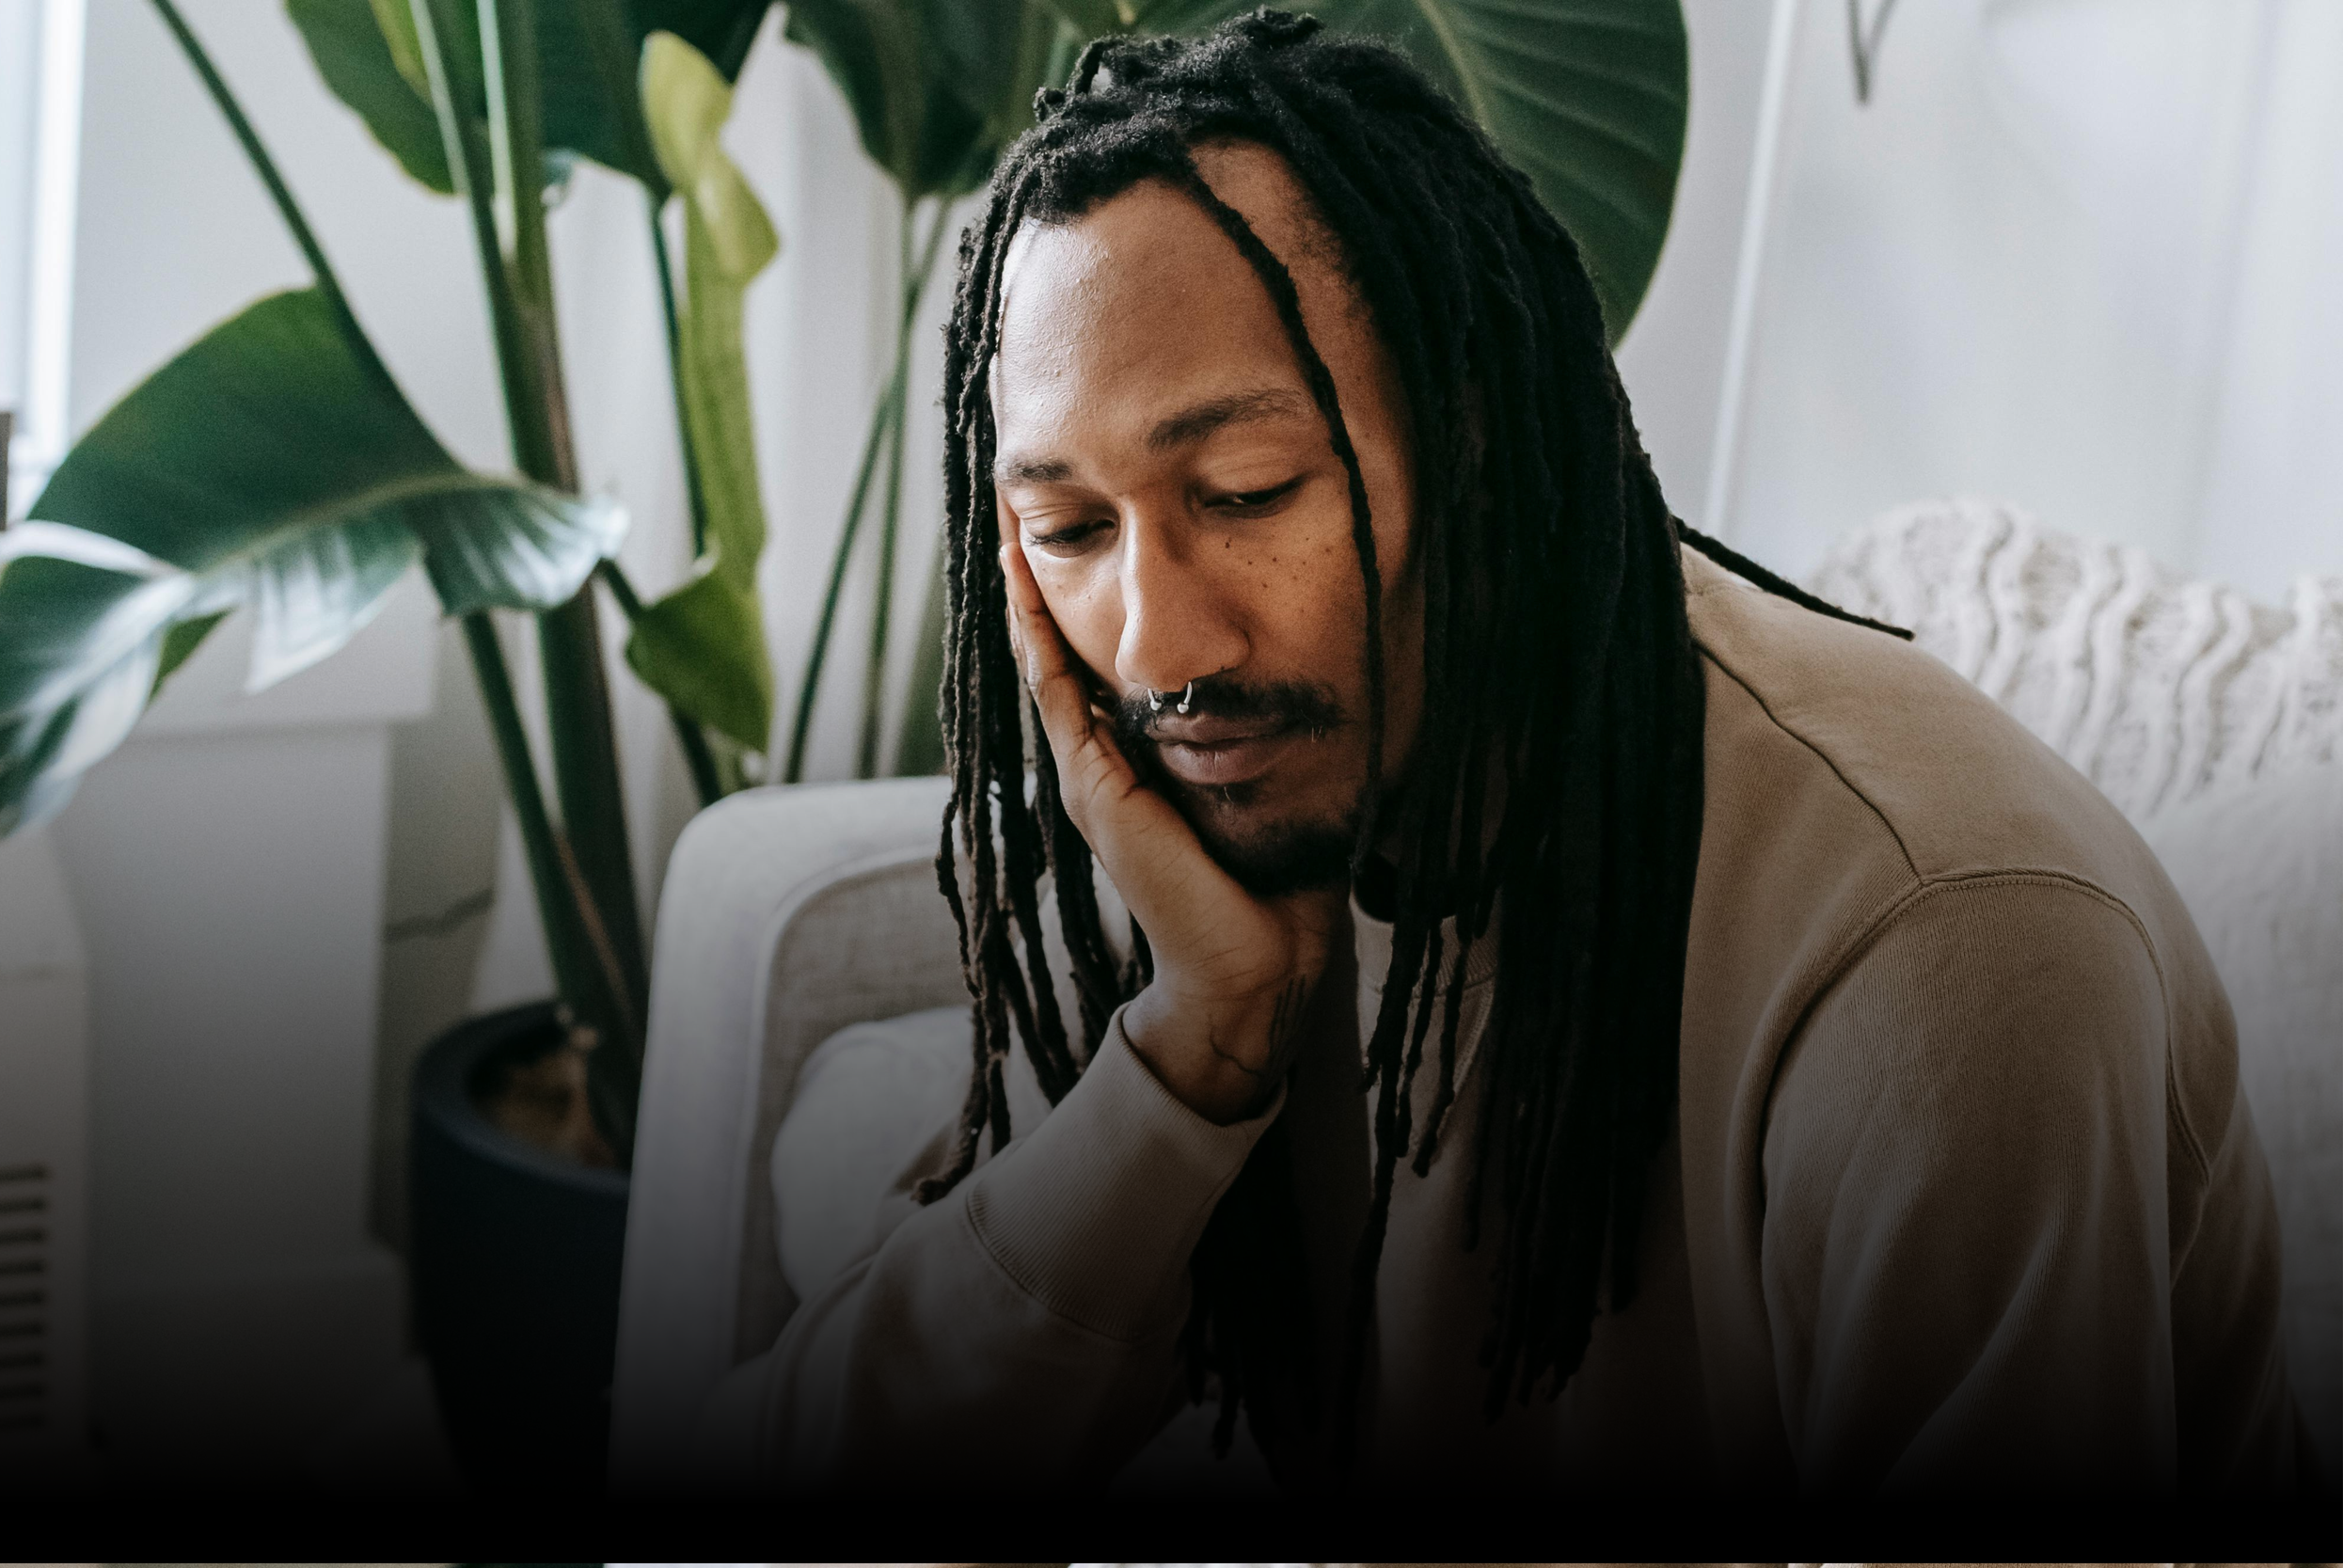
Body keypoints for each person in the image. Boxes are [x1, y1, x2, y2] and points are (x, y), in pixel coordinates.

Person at [700, 9, 2301, 1497]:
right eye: (1067, 528)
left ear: (1465, 433)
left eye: (1246, 492)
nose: (1154, 643)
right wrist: (1194, 1049)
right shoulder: (1225, 801)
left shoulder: (1942, 939)